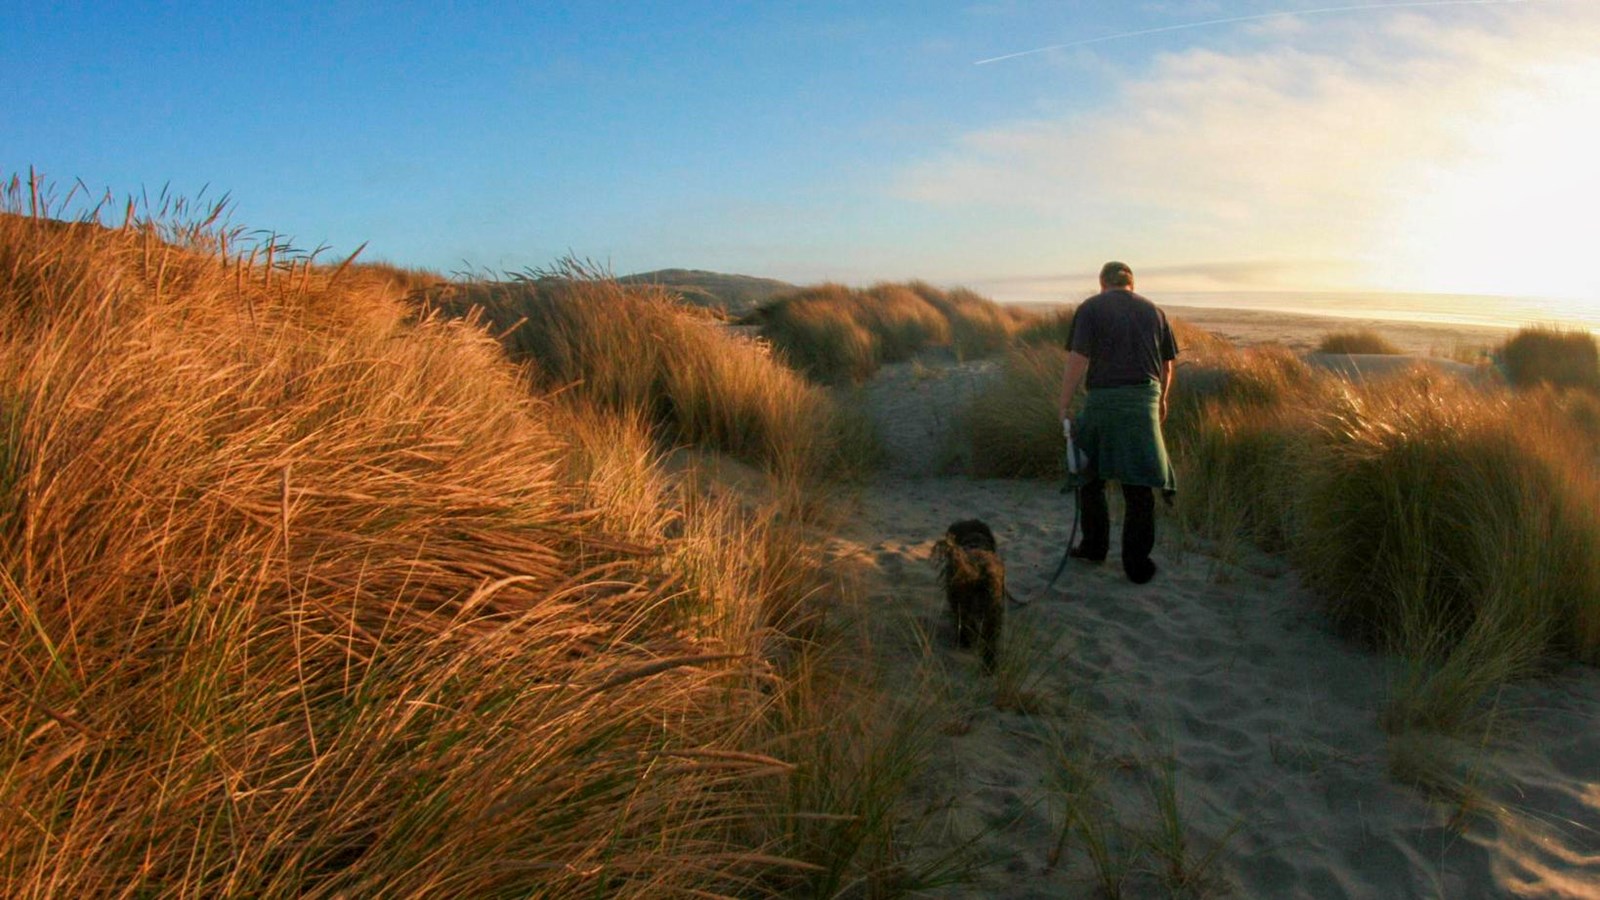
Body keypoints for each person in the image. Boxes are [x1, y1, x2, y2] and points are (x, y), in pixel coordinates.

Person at [1057, 261, 1177, 584]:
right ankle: (1137, 564)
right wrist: (1163, 398)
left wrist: (1065, 403)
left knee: (1090, 476)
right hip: (1144, 405)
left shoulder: (1091, 308)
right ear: (1131, 285)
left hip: (1104, 402)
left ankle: (1094, 547)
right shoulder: (1156, 312)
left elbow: (1078, 359)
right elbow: (1167, 365)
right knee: (1138, 486)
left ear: (1102, 284)